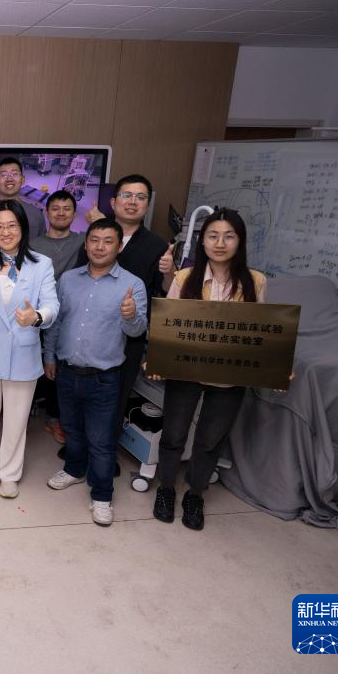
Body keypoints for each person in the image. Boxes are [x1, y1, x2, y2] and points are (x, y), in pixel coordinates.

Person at [148, 208, 267, 531]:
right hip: (185, 372)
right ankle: (166, 488)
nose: (220, 243)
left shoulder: (256, 281)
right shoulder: (185, 278)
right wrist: (157, 360)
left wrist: (275, 366)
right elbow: (168, 325)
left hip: (230, 376)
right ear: (202, 242)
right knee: (174, 434)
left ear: (240, 241)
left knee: (211, 440)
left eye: (229, 236)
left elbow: (261, 333)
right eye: (213, 236)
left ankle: (195, 494)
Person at [44, 218, 147, 526]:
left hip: (104, 378)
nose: (100, 247)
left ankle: (102, 495)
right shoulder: (68, 279)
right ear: (86, 244)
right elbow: (56, 322)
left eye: (108, 241)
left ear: (119, 247)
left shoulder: (132, 284)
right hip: (66, 371)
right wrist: (49, 356)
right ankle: (74, 470)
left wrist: (131, 315)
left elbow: (137, 331)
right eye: (94, 240)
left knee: (101, 441)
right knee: (71, 429)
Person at [0, 200, 58, 499]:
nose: (5, 232)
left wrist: (37, 316)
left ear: (23, 228)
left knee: (17, 418)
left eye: (12, 225)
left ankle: (9, 473)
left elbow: (52, 304)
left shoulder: (41, 264)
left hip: (23, 351)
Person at [81, 174, 174, 469]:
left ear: (147, 205)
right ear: (113, 202)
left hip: (129, 334)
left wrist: (169, 272)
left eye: (140, 197)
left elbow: (165, 294)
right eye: (126, 195)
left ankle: (103, 456)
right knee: (82, 393)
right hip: (90, 330)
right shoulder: (97, 234)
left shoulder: (157, 246)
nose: (132, 202)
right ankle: (79, 450)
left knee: (117, 397)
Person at [29, 190, 85, 445]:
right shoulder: (34, 245)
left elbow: (110, 238)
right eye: (55, 208)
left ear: (74, 213)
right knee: (35, 363)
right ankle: (28, 408)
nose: (61, 213)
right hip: (38, 314)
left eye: (67, 208)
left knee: (59, 367)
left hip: (72, 314)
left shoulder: (83, 241)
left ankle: (54, 418)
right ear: (47, 212)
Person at [0, 157, 45, 240]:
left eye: (14, 174)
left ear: (23, 180)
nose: (9, 179)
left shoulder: (36, 214)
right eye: (4, 175)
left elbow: (42, 242)